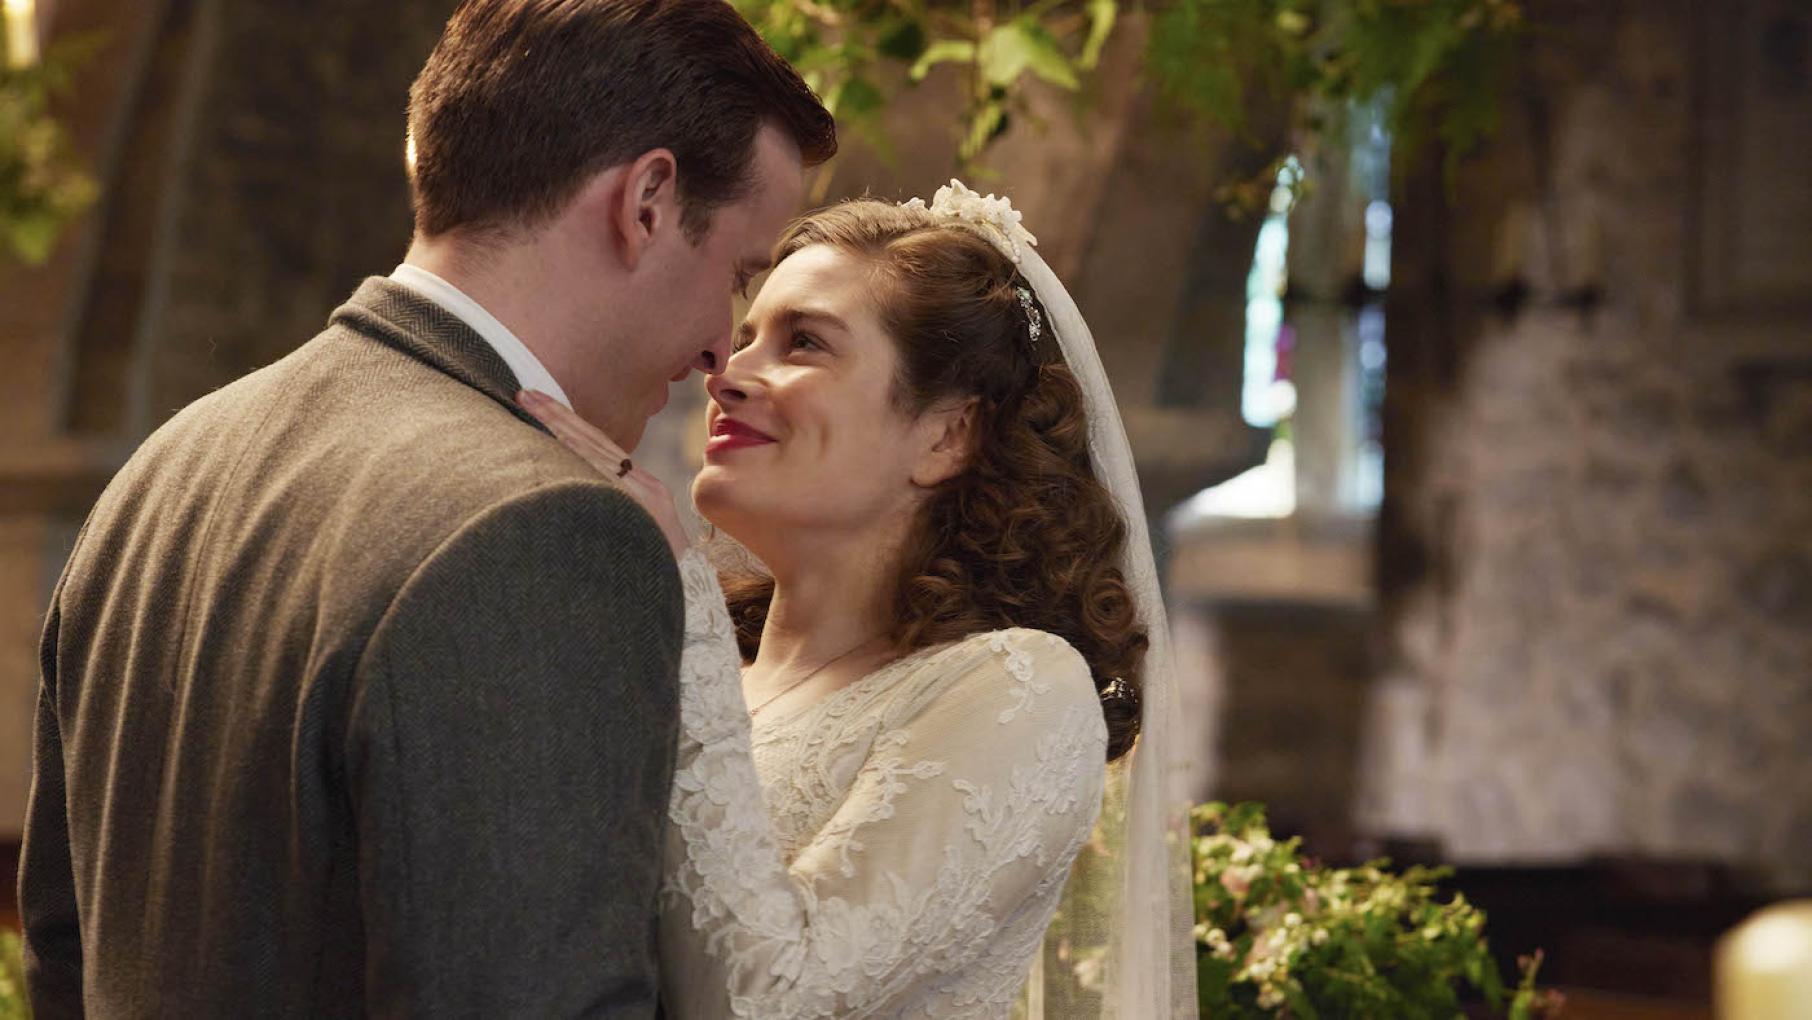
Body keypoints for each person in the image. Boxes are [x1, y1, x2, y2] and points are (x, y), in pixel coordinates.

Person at [18, 1, 834, 1015]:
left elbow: (63, 952)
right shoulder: (548, 534)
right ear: (650, 201)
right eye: (740, 273)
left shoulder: (165, 468)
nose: (723, 344)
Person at [522, 182, 1198, 1019]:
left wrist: (685, 600)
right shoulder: (684, 662)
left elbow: (770, 1000)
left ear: (947, 435)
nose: (728, 376)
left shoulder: (1018, 690)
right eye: (743, 338)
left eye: (803, 343)